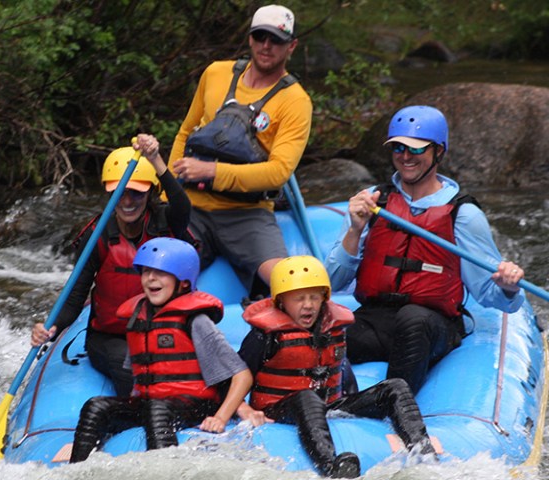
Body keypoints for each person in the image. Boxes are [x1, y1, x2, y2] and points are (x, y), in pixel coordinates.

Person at [324, 105, 526, 394]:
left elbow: (490, 295)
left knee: (413, 319)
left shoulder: (464, 214)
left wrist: (508, 288)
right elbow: (332, 282)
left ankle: (392, 401)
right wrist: (355, 231)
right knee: (322, 336)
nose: (405, 157)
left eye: (416, 150)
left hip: (433, 324)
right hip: (377, 319)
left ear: (438, 152)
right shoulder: (373, 202)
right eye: (398, 148)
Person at [237, 256, 436, 478]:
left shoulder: (333, 327)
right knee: (307, 398)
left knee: (395, 387)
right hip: (279, 408)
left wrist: (358, 403)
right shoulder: (264, 336)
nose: (308, 305)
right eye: (299, 298)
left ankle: (423, 450)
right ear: (281, 301)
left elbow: (342, 370)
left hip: (329, 405)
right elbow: (236, 375)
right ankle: (330, 466)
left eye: (314, 297)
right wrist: (243, 409)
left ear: (324, 298)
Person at [30, 134, 192, 397]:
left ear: (150, 192)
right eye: (119, 193)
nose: (127, 202)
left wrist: (156, 161)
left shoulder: (166, 221)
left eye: (135, 194)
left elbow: (182, 205)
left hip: (163, 329)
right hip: (111, 338)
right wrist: (50, 328)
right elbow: (76, 293)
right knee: (133, 368)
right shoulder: (98, 235)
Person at [167, 4, 312, 296]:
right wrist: (168, 195)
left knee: (289, 286)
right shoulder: (216, 73)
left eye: (276, 40)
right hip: (192, 208)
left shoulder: (296, 101)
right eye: (260, 37)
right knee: (151, 270)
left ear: (291, 46)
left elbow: (278, 173)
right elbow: (186, 132)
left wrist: (212, 171)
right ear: (250, 38)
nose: (266, 46)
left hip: (247, 214)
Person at [69, 237, 252, 462]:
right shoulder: (138, 316)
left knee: (157, 409)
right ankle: (77, 468)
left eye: (161, 273)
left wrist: (221, 418)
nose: (151, 278)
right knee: (95, 406)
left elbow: (242, 376)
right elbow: (137, 377)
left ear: (183, 282)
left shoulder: (196, 320)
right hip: (152, 403)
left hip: (194, 405)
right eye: (146, 272)